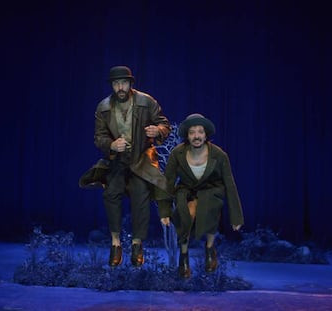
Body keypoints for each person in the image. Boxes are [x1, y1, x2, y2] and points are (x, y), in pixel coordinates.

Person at [93, 65, 171, 267]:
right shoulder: (103, 107)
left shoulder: (146, 102)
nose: (120, 87)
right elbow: (99, 137)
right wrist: (111, 144)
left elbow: (165, 124)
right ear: (112, 85)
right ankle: (116, 243)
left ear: (131, 84)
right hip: (117, 161)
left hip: (141, 158)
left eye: (124, 83)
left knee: (141, 196)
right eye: (116, 83)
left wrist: (157, 130)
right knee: (111, 194)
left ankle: (137, 244)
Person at [158, 113, 244, 278]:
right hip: (187, 190)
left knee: (209, 206)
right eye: (192, 132)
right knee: (185, 214)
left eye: (200, 132)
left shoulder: (219, 155)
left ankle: (210, 248)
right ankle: (183, 256)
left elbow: (230, 184)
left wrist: (236, 217)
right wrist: (164, 211)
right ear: (187, 135)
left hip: (211, 190)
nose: (196, 136)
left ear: (206, 134)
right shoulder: (178, 153)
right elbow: (167, 182)